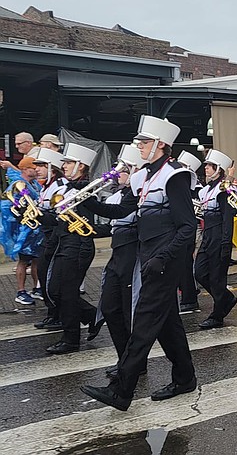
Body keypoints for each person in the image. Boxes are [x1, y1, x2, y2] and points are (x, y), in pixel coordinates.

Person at [81, 115, 197, 411]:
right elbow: (123, 211)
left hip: (164, 259)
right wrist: (89, 203)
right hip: (150, 257)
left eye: (143, 142)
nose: (139, 146)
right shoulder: (141, 177)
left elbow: (187, 227)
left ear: (160, 145)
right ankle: (185, 378)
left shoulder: (176, 175)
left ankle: (122, 390)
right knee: (167, 323)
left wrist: (163, 256)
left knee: (144, 324)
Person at [80, 144, 144, 370]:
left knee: (129, 310)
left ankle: (133, 362)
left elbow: (120, 213)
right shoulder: (120, 194)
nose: (118, 173)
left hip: (132, 252)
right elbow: (112, 225)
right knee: (109, 307)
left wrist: (88, 201)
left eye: (124, 169)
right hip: (118, 251)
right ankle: (125, 358)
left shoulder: (139, 192)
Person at [40, 143, 99, 354]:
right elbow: (58, 220)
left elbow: (87, 223)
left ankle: (71, 338)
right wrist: (38, 215)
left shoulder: (86, 191)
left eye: (69, 162)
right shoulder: (65, 189)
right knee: (54, 291)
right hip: (63, 244)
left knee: (66, 294)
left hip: (78, 246)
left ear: (80, 166)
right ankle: (92, 315)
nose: (63, 165)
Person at [194, 149, 237, 329]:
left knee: (217, 278)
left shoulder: (224, 190)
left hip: (219, 236)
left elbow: (228, 220)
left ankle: (217, 315)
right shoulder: (206, 190)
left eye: (210, 166)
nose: (206, 169)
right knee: (200, 272)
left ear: (218, 169)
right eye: (205, 166)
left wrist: (226, 245)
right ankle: (226, 298)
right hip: (208, 236)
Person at [31, 148, 68, 330]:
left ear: (52, 167)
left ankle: (66, 315)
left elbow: (55, 216)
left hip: (56, 236)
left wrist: (38, 215)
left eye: (41, 166)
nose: (37, 169)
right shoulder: (46, 186)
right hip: (46, 236)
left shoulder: (60, 185)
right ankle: (53, 314)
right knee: (44, 276)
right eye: (36, 165)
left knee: (50, 278)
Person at [1, 156, 43, 305]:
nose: (36, 170)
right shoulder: (19, 184)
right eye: (33, 168)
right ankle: (20, 291)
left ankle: (37, 288)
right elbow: (9, 207)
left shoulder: (35, 184)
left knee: (37, 259)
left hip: (36, 230)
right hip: (24, 230)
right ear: (25, 169)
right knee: (24, 261)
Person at [175, 151, 202, 313]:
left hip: (190, 229)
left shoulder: (196, 189)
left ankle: (189, 295)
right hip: (179, 228)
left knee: (187, 263)